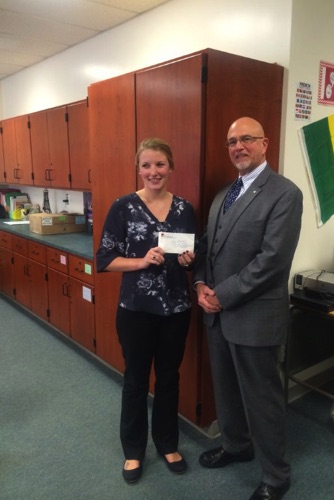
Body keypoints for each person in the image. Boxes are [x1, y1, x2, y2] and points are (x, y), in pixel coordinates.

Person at [193, 117, 303, 500]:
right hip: (217, 313)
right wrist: (200, 281)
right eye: (231, 141)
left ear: (265, 143)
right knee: (225, 390)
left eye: (246, 139)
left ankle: (276, 476)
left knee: (262, 399)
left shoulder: (284, 194)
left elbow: (272, 261)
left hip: (255, 315)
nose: (238, 146)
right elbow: (209, 246)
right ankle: (237, 447)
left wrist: (221, 294)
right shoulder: (224, 193)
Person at [96, 138, 196, 484]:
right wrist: (141, 260)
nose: (154, 172)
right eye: (147, 165)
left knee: (169, 378)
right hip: (136, 310)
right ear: (138, 169)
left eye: (160, 165)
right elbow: (105, 260)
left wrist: (187, 261)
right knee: (136, 380)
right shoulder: (122, 207)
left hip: (176, 309)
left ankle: (168, 443)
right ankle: (134, 451)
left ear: (171, 168)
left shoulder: (185, 209)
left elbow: (191, 257)